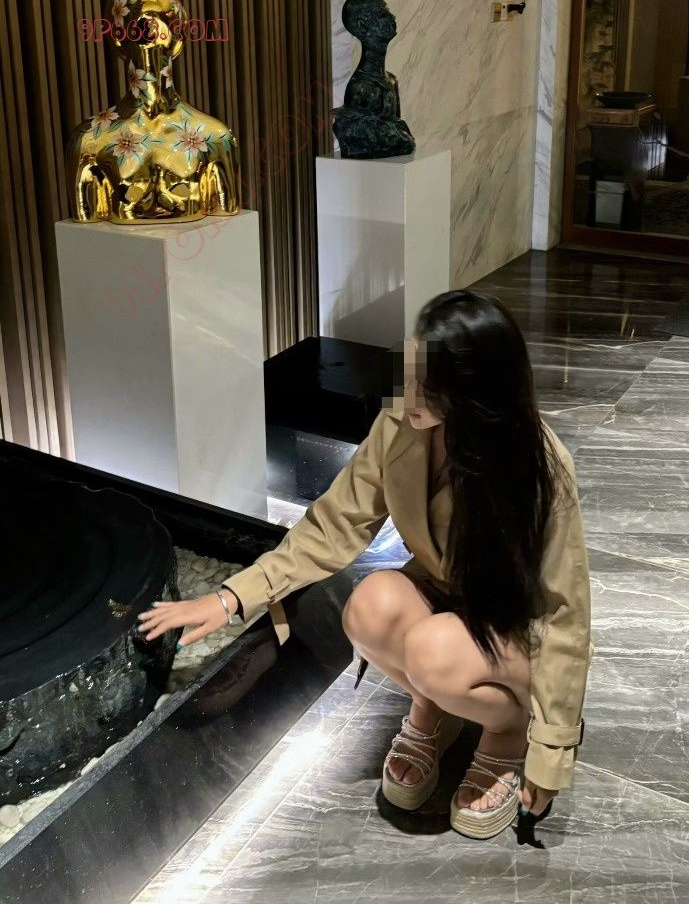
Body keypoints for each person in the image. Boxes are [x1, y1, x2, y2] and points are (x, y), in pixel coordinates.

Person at [138, 290, 594, 841]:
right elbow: (335, 523)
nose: (408, 395)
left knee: (432, 651)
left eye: (429, 384)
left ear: (476, 390)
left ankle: (506, 728)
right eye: (411, 372)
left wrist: (551, 752)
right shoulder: (402, 422)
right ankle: (435, 707)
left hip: (513, 629)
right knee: (368, 609)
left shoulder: (541, 467)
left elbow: (565, 615)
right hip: (442, 601)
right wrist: (231, 597)